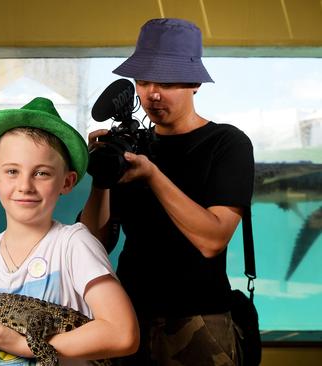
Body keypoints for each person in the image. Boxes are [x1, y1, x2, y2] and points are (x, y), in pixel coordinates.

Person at [0, 97, 139, 365]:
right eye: (12, 171)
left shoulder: (74, 243)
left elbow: (123, 334)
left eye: (41, 173)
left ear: (67, 182)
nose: (25, 185)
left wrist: (26, 345)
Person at [80, 18, 254, 365]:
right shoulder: (130, 146)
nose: (152, 93)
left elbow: (213, 239)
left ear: (194, 83)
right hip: (127, 317)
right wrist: (101, 177)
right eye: (143, 81)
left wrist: (153, 176)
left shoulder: (226, 143)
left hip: (200, 319)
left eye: (166, 82)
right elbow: (92, 244)